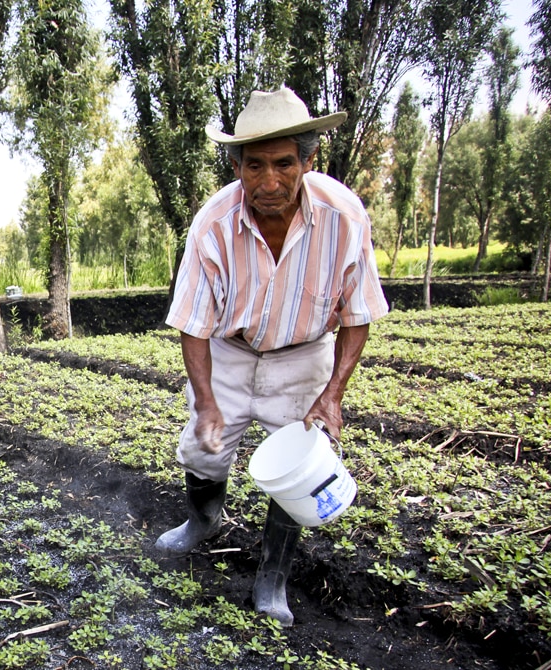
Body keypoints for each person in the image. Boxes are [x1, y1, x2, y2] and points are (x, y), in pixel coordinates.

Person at [156, 87, 389, 626]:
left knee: (297, 466)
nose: (269, 180)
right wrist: (209, 403)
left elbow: (358, 315)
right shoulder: (212, 224)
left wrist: (332, 396)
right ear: (236, 166)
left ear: (308, 161)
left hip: (303, 353)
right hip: (229, 350)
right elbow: (193, 323)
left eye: (284, 163)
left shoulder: (344, 217)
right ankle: (201, 522)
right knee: (202, 448)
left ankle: (272, 578)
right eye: (253, 164)